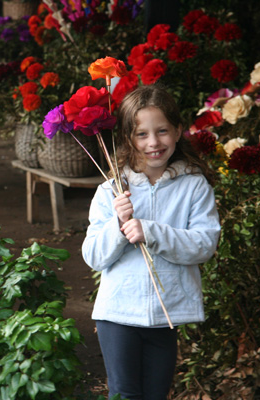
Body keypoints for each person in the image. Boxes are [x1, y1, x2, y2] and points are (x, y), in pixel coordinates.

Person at [81, 84, 221, 400]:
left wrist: (151, 232)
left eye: (162, 131)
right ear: (129, 139)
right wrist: (118, 227)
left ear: (178, 131)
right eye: (142, 134)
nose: (153, 143)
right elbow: (92, 256)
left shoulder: (195, 187)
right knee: (125, 393)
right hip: (117, 314)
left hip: (166, 313)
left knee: (156, 395)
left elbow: (204, 245)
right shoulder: (111, 191)